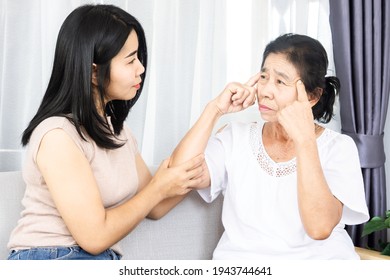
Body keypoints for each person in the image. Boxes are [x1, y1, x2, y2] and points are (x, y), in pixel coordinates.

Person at [7, 4, 205, 260]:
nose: (141, 68)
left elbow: (156, 206)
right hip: (50, 256)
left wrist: (214, 113)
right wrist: (158, 187)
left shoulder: (119, 133)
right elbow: (94, 237)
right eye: (131, 60)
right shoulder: (58, 135)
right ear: (93, 71)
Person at [169, 33, 370, 259]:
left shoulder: (338, 148)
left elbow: (320, 228)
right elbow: (176, 176)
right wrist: (215, 109)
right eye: (263, 77)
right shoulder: (236, 137)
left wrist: (304, 141)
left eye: (280, 82)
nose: (265, 91)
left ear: (312, 96)